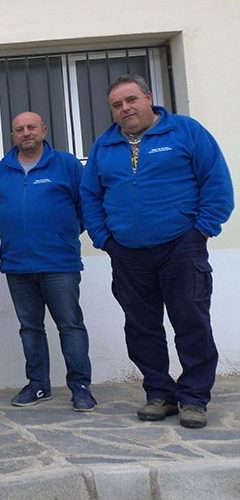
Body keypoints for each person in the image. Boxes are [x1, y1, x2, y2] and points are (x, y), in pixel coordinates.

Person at [81, 75, 234, 428]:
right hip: (128, 254)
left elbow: (217, 183)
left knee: (191, 322)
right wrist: (105, 239)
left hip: (181, 246)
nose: (125, 108)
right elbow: (89, 196)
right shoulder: (104, 146)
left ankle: (194, 398)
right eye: (117, 105)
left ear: (149, 98)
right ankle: (159, 394)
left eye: (131, 100)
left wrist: (200, 232)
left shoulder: (186, 132)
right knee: (141, 327)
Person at [0, 111, 96, 412]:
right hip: (17, 264)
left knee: (70, 326)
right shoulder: (0, 171)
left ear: (44, 130)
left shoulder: (67, 165)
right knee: (30, 327)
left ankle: (81, 387)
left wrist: (63, 234)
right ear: (12, 136)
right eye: (19, 129)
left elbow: (85, 206)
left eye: (31, 127)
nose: (26, 133)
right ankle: (38, 385)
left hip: (59, 262)